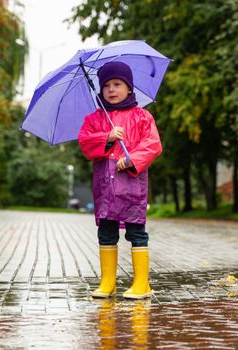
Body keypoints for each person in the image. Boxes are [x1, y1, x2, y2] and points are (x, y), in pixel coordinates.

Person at [78, 61, 162, 299]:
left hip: (132, 186)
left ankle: (142, 283)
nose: (111, 90)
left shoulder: (142, 116)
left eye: (117, 84)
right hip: (105, 187)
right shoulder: (95, 119)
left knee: (137, 232)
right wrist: (107, 136)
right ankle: (107, 282)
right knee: (106, 232)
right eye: (106, 86)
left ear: (129, 88)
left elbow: (153, 144)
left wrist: (132, 159)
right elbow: (85, 142)